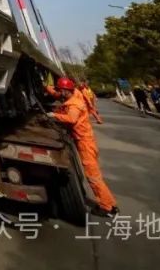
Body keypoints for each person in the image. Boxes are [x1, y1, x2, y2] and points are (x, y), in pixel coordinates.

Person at [50, 77, 119, 217]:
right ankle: (110, 204)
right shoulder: (74, 100)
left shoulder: (74, 104)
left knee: (93, 176)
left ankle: (106, 207)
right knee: (95, 176)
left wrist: (54, 115)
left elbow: (71, 119)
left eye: (60, 90)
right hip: (86, 140)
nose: (59, 93)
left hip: (85, 142)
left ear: (65, 90)